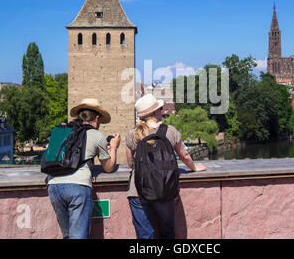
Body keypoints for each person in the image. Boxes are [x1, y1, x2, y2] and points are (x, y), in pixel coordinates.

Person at [125, 94, 207, 239]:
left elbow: (131, 163)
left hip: (138, 191)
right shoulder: (170, 131)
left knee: (145, 236)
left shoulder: (132, 134)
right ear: (155, 112)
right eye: (160, 108)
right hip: (165, 188)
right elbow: (184, 156)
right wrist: (194, 168)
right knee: (168, 234)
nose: (162, 111)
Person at [46, 98, 120, 239]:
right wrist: (114, 147)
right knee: (78, 236)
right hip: (78, 187)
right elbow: (108, 167)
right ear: (97, 118)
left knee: (67, 235)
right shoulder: (96, 135)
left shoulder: (62, 131)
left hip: (53, 185)